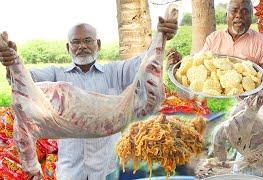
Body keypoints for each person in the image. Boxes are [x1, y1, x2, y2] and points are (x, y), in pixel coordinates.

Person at [0, 17, 177, 180]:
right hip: (70, 170)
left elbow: (144, 64)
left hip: (106, 169)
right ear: (68, 48)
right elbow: (25, 82)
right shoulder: (55, 74)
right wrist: (12, 62)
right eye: (75, 42)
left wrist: (161, 37)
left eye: (87, 41)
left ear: (98, 44)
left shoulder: (114, 72)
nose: (81, 46)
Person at [168, 0, 263, 179]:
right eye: (234, 11)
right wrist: (179, 64)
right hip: (255, 140)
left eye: (245, 12)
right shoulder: (221, 41)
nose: (239, 16)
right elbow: (199, 71)